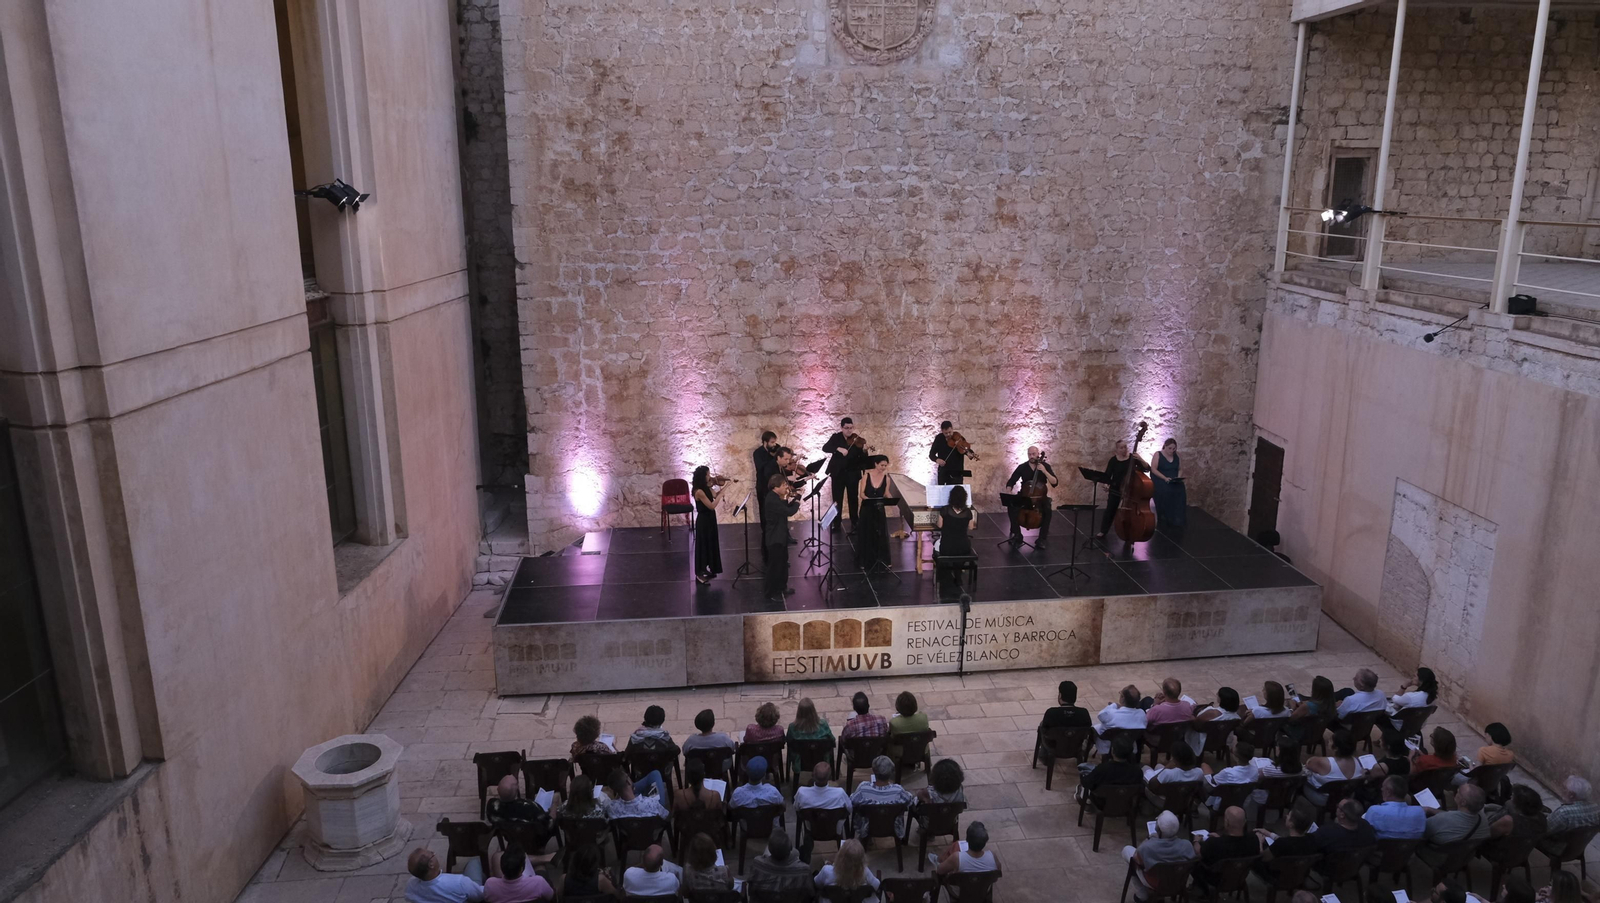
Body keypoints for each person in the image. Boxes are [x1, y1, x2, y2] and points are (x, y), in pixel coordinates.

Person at [1121, 811, 1196, 903]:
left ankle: (1142, 894)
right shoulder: (1187, 845)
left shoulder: (1148, 847)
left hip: (1154, 882)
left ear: (1157, 829)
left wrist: (1149, 839)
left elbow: (1137, 860)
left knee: (1127, 850)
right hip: (1177, 882)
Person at [1418, 784, 1491, 868]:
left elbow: (1422, 833)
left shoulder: (1442, 820)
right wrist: (1431, 809)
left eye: (1458, 792)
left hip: (1437, 856)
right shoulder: (1483, 819)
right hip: (1463, 858)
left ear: (1463, 802)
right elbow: (1453, 817)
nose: (1455, 793)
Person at [1192, 807, 1262, 892]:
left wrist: (1196, 841)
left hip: (1216, 879)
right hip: (1239, 877)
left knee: (1194, 862)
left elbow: (1199, 853)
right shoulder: (1253, 839)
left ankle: (1202, 890)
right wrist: (1219, 838)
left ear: (1226, 822)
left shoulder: (1214, 843)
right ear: (1245, 821)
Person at [849, 755, 915, 838]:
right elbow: (909, 800)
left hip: (867, 827)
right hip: (892, 826)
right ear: (891, 772)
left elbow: (852, 801)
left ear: (874, 771)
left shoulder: (863, 788)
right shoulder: (897, 790)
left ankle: (868, 840)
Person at [1005, 446, 1058, 547]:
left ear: (1038, 454)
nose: (1031, 456)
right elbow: (1012, 480)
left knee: (1047, 509)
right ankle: (1017, 535)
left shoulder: (1045, 466)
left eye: (1033, 454)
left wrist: (1045, 471)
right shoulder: (1022, 467)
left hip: (1040, 498)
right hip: (1025, 496)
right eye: (1029, 454)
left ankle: (1042, 539)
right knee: (1011, 506)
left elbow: (1055, 482)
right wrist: (1009, 489)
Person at [795, 760, 852, 853]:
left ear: (813, 775)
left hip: (812, 829)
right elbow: (849, 809)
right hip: (834, 829)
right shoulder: (840, 793)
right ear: (829, 777)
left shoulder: (802, 792)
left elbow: (797, 809)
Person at [823, 417, 868, 531]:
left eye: (851, 428)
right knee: (837, 499)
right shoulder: (836, 437)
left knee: (853, 498)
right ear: (841, 428)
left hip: (852, 473)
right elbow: (825, 448)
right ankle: (836, 523)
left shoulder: (857, 439)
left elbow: (862, 458)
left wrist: (864, 450)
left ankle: (855, 522)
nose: (849, 430)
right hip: (838, 474)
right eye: (846, 428)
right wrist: (838, 448)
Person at [1099, 438, 1150, 538]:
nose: (1124, 449)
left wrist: (1140, 459)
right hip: (1116, 488)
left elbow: (1147, 468)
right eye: (1121, 448)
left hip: (1130, 489)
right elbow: (1107, 476)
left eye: (1125, 447)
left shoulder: (1133, 458)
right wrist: (1106, 484)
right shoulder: (1113, 460)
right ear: (1117, 450)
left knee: (1131, 510)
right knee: (1110, 510)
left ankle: (1131, 529)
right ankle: (1103, 531)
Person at [762, 474, 800, 602]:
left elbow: (784, 507)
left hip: (780, 536)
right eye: (784, 485)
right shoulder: (771, 499)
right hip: (775, 538)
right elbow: (789, 512)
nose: (786, 487)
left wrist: (790, 500)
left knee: (783, 564)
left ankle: (782, 587)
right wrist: (798, 501)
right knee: (774, 566)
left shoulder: (776, 497)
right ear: (776, 486)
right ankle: (770, 592)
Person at [1303, 729, 1366, 806]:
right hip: (1346, 797)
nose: (1328, 742)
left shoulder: (1322, 763)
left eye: (1330, 741)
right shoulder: (1360, 762)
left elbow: (1308, 763)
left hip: (1322, 797)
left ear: (1336, 748)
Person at [1253, 808, 1320, 880]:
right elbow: (1290, 841)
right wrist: (1269, 834)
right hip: (1299, 874)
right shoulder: (1311, 839)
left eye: (1288, 816)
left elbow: (1263, 857)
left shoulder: (1282, 844)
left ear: (1291, 824)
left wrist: (1259, 841)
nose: (1286, 816)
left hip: (1278, 876)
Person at [1539, 776, 1599, 855]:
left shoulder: (1564, 813)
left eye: (1564, 788)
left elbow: (1544, 831)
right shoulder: (1596, 808)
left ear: (1571, 795)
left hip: (1558, 848)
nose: (1561, 790)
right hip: (1577, 848)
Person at [931, 821, 999, 890]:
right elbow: (996, 876)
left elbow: (940, 871)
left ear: (967, 840)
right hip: (983, 891)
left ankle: (938, 860)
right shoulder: (992, 856)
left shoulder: (957, 857)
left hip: (960, 893)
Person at [747, 829, 815, 897]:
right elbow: (811, 894)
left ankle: (802, 853)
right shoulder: (804, 871)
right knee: (797, 853)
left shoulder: (757, 864)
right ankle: (803, 854)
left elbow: (751, 891)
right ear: (790, 849)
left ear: (770, 849)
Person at [1078, 734, 1144, 801]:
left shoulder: (1102, 769)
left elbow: (1086, 783)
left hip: (1101, 803)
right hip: (1126, 802)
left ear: (1112, 751)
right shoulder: (1137, 771)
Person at [404, 848, 485, 903]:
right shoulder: (458, 882)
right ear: (431, 864)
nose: (433, 853)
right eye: (432, 853)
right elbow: (480, 895)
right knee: (474, 863)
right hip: (471, 891)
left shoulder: (411, 885)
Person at [855, 455, 893, 569]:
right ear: (876, 464)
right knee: (866, 533)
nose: (883, 468)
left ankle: (881, 558)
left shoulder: (887, 479)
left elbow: (886, 493)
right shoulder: (866, 476)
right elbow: (861, 493)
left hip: (879, 509)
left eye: (885, 466)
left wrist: (893, 499)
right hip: (867, 509)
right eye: (882, 465)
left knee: (880, 534)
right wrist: (866, 498)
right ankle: (864, 560)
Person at [482, 844, 553, 903]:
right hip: (534, 885)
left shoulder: (490, 885)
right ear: (522, 868)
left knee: (496, 856)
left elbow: (486, 899)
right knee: (540, 868)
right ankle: (544, 859)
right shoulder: (538, 882)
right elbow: (551, 897)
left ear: (501, 867)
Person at [1383, 666, 1440, 740]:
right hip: (1417, 724)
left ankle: (1385, 740)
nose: (1413, 677)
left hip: (1401, 725)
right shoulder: (1433, 698)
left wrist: (1404, 686)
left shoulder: (1411, 697)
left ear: (1421, 680)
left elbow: (1395, 699)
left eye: (1415, 676)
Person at [1204, 738, 1261, 811]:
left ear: (1236, 757)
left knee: (1204, 767)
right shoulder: (1255, 770)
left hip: (1222, 804)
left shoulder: (1228, 772)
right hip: (1242, 803)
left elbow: (1213, 781)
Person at [1144, 742, 1206, 808]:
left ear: (1175, 760)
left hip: (1166, 803)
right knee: (1158, 766)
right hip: (1187, 801)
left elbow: (1151, 785)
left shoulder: (1168, 773)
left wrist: (1166, 768)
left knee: (1145, 768)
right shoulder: (1199, 772)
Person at [816, 838, 881, 902]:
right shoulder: (865, 872)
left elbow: (816, 884)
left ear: (840, 857)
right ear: (862, 860)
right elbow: (877, 886)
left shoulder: (826, 871)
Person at [1364, 775, 1426, 840]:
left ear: (1388, 792)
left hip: (1381, 849)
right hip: (1411, 849)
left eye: (1383, 787)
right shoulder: (1419, 813)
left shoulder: (1374, 811)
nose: (1381, 789)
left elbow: (1366, 835)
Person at [691, 466, 725, 583]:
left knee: (710, 543)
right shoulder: (699, 491)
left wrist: (722, 489)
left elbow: (714, 495)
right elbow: (711, 505)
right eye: (707, 475)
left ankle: (707, 568)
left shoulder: (706, 488)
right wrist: (721, 495)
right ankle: (699, 573)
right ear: (703, 476)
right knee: (703, 545)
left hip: (710, 519)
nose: (710, 477)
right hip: (704, 520)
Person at [1282, 675, 1335, 749]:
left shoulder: (1307, 707)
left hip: (1302, 734)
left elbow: (1290, 719)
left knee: (1280, 725)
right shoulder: (1330, 704)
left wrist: (1293, 707)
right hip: (1317, 733)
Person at [1187, 687, 1242, 755]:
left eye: (1218, 695)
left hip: (1207, 741)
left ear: (1222, 699)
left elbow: (1196, 724)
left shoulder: (1212, 713)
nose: (1216, 694)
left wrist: (1191, 715)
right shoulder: (1236, 717)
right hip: (1224, 739)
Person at [1313, 798, 1378, 857]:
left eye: (1338, 806)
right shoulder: (1366, 826)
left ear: (1342, 815)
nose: (1336, 807)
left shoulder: (1326, 832)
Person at [1095, 684, 1149, 754]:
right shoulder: (1141, 713)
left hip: (1109, 745)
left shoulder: (1112, 713)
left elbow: (1100, 715)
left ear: (1123, 697)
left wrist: (1114, 705)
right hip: (1130, 744)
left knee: (1095, 727)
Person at [605, 768, 669, 822]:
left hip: (628, 831)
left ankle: (624, 788)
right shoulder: (651, 803)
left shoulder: (611, 808)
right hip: (650, 830)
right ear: (628, 781)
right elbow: (666, 816)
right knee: (655, 774)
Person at [1150, 438, 1187, 528]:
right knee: (1166, 491)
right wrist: (1165, 478)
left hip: (1173, 480)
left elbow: (1180, 468)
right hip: (1162, 479)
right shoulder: (1158, 454)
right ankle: (1165, 518)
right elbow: (1153, 469)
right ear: (1165, 446)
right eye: (1170, 448)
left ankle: (1177, 518)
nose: (1172, 450)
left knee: (1180, 489)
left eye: (1174, 449)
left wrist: (1178, 477)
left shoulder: (1177, 455)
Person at [754, 430, 780, 552]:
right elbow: (761, 467)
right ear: (765, 442)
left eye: (775, 442)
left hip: (774, 487)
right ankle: (766, 537)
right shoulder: (757, 453)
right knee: (764, 513)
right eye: (772, 442)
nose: (774, 445)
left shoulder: (775, 451)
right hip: (762, 487)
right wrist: (773, 458)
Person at [933, 485, 975, 560]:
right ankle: (959, 569)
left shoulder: (945, 509)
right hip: (963, 547)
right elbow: (971, 527)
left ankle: (944, 568)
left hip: (947, 547)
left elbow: (940, 525)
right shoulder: (968, 512)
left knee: (935, 545)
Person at [888, 691, 929, 760]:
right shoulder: (923, 718)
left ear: (898, 707)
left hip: (901, 752)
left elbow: (891, 736)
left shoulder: (894, 722)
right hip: (920, 748)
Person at [929, 421, 968, 486]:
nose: (948, 435)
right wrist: (937, 459)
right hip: (944, 472)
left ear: (952, 429)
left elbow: (965, 450)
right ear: (942, 431)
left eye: (950, 432)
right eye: (946, 433)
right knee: (942, 493)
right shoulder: (939, 438)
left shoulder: (959, 438)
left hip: (957, 473)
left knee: (956, 494)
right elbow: (931, 454)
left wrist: (969, 453)